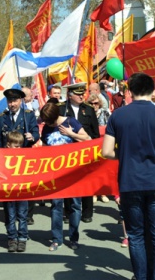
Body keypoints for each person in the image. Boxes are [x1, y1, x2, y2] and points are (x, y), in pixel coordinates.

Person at [101, 72, 155, 280]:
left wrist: (126, 154)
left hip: (130, 182)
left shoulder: (118, 116)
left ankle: (141, 276)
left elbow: (106, 151)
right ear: (153, 90)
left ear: (130, 91)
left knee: (136, 236)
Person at [40, 101, 91, 251]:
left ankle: (74, 238)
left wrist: (71, 134)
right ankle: (57, 239)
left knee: (75, 205)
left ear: (56, 117)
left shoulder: (71, 122)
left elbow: (87, 138)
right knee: (56, 205)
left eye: (49, 121)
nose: (47, 124)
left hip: (74, 172)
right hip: (56, 173)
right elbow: (45, 147)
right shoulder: (47, 128)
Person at [0, 88, 40, 224]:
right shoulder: (2, 117)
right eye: (10, 101)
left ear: (20, 101)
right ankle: (10, 215)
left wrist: (32, 136)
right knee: (8, 188)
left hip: (24, 157)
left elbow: (36, 132)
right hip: (7, 159)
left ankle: (27, 215)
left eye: (15, 101)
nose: (12, 104)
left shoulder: (28, 115)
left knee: (26, 187)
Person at [59, 82, 100, 224]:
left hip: (85, 151)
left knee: (87, 182)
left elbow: (95, 133)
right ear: (70, 95)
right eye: (78, 94)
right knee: (68, 182)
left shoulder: (88, 109)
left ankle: (87, 212)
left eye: (83, 94)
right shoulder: (61, 109)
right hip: (67, 152)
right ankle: (68, 212)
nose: (82, 96)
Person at [2, 131, 30, 252]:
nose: (19, 148)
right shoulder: (2, 156)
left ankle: (22, 238)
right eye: (16, 146)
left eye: (20, 146)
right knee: (10, 216)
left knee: (22, 215)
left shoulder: (24, 157)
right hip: (8, 191)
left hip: (22, 190)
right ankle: (12, 238)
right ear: (8, 145)